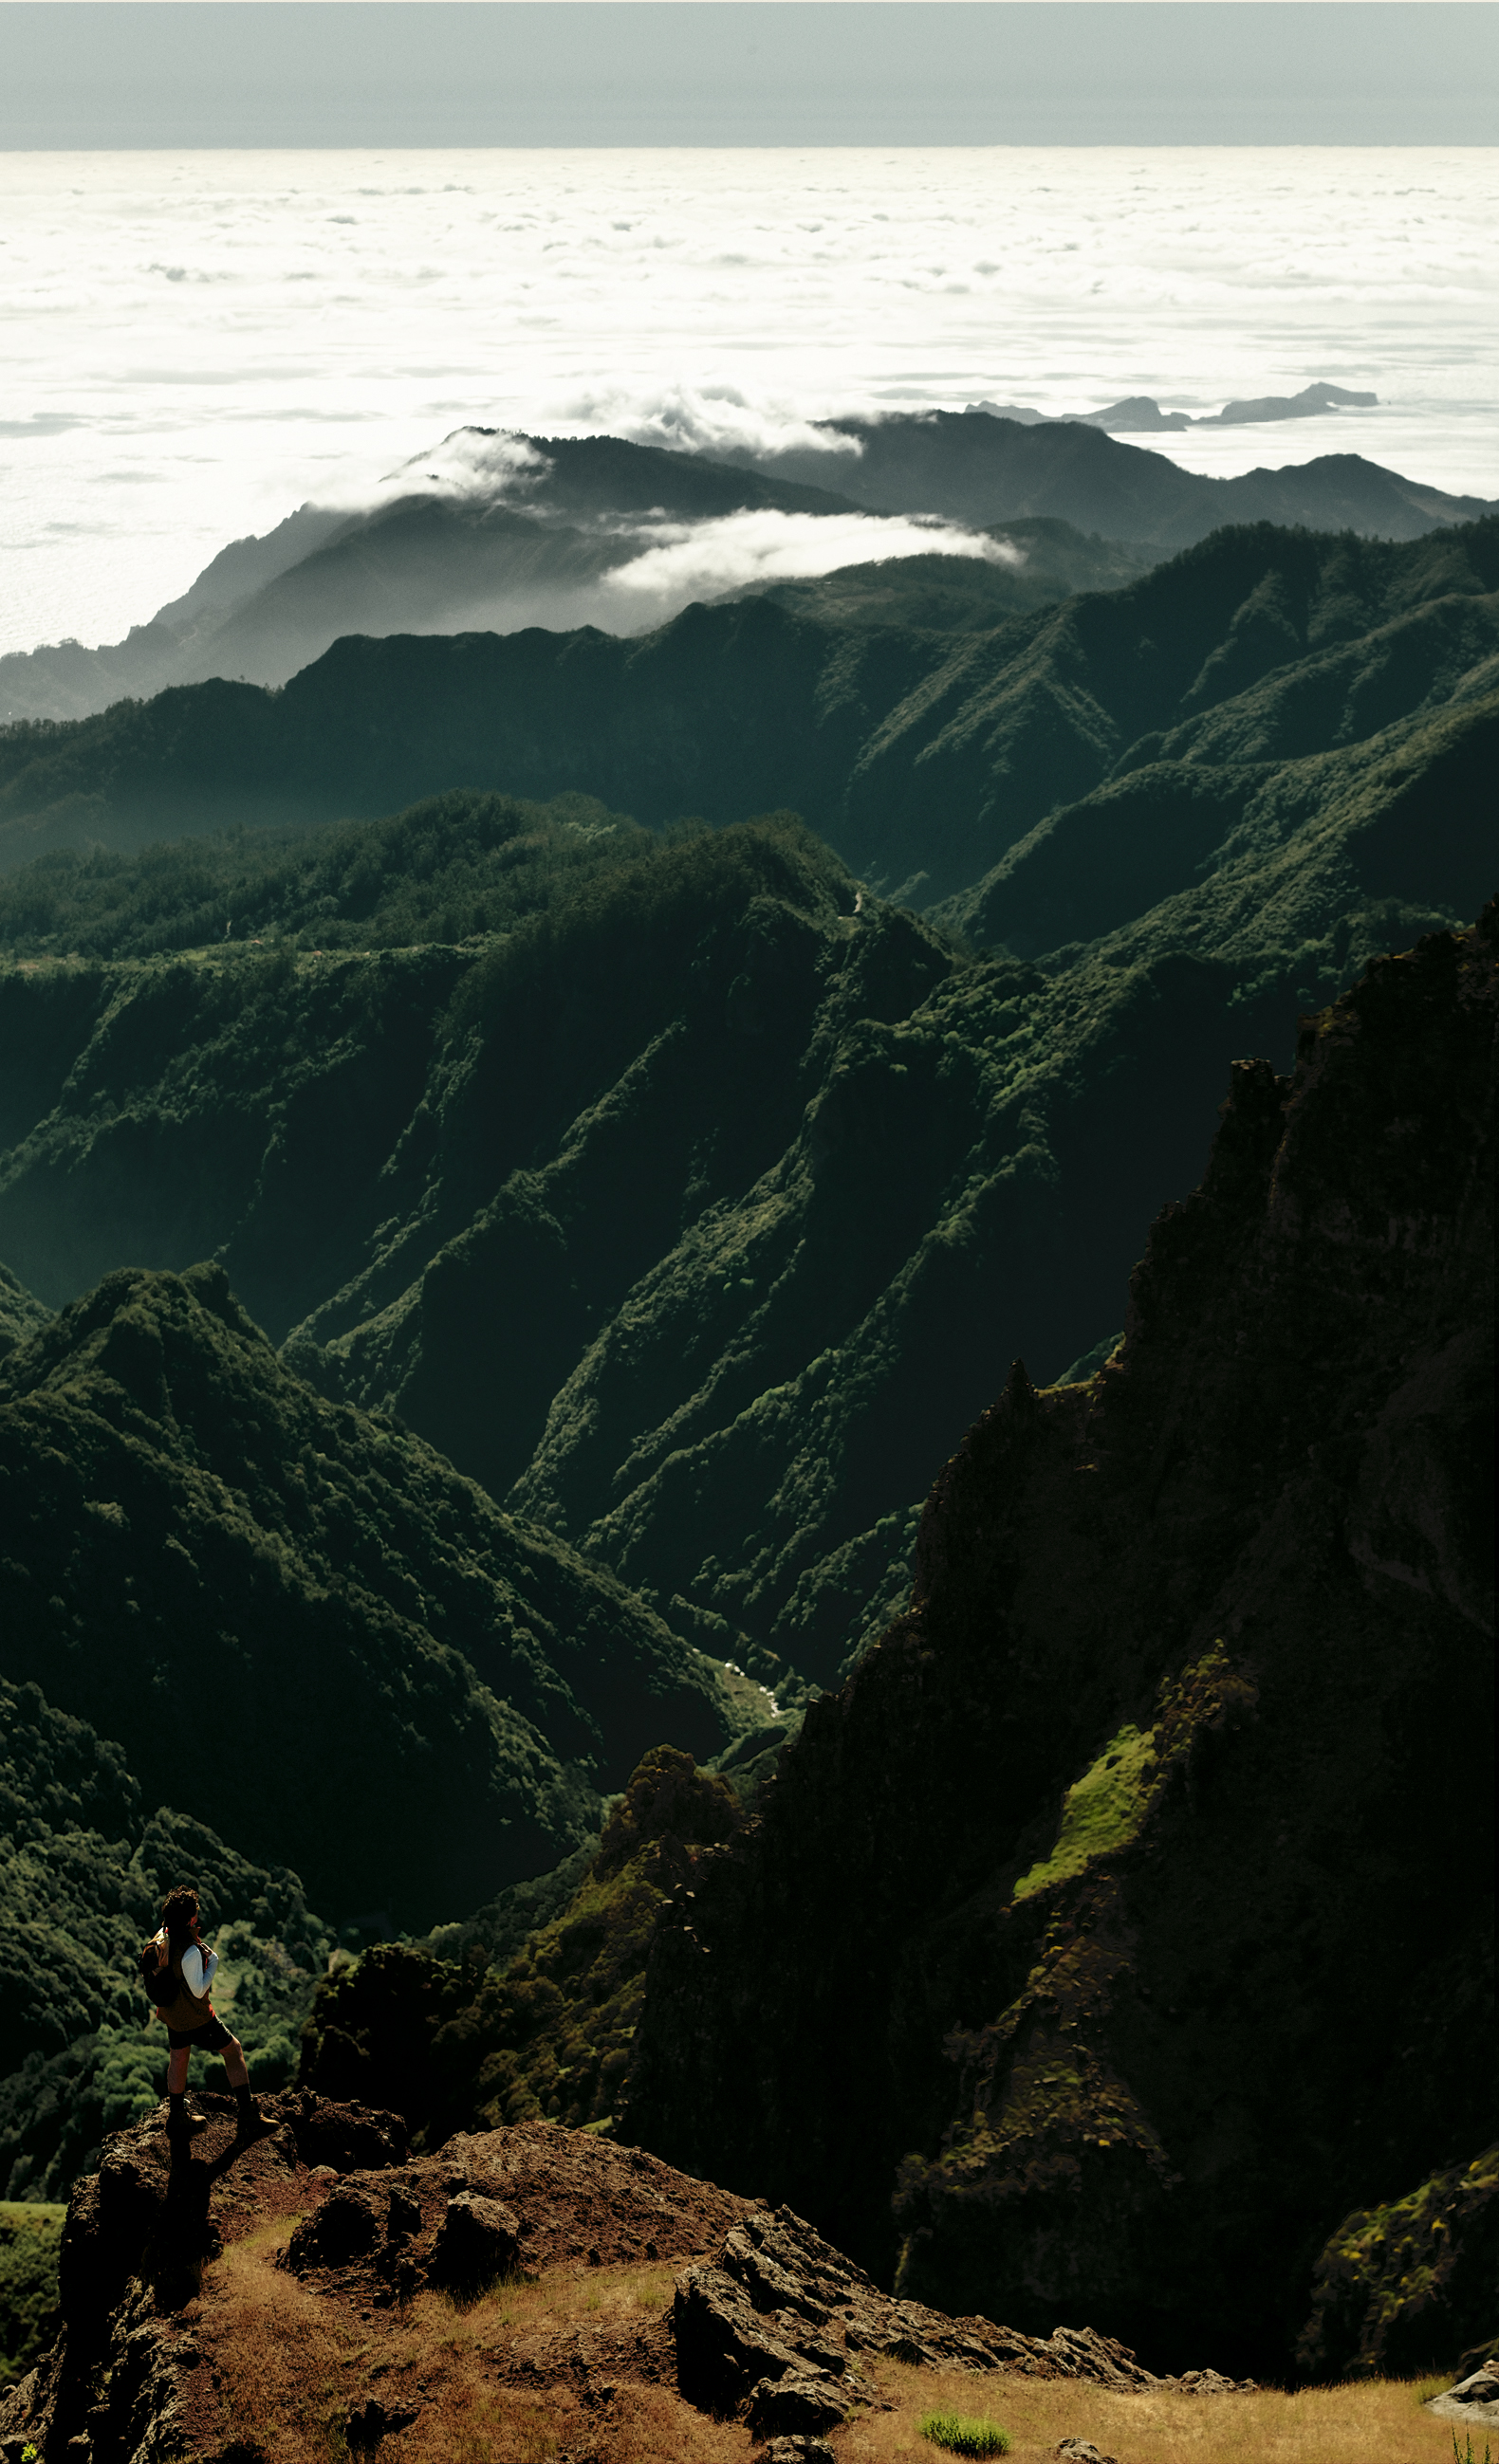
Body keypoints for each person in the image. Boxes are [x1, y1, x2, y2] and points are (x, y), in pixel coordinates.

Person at [143, 1885, 262, 2140]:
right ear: (189, 1919)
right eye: (195, 1910)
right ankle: (248, 2114)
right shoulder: (189, 1950)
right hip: (195, 2016)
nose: (198, 1913)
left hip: (171, 2012)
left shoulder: (163, 1937)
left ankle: (177, 2117)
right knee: (233, 2050)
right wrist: (213, 1962)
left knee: (178, 2057)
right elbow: (198, 1991)